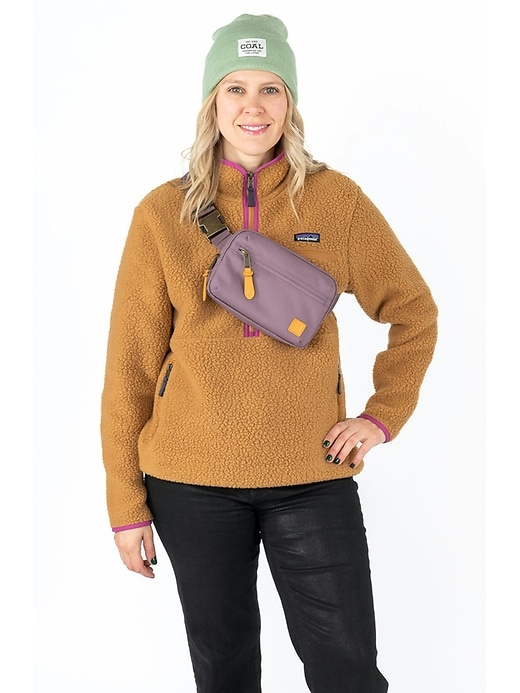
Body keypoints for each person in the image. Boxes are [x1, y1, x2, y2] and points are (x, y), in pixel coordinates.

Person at [100, 13, 438, 693]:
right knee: (224, 672)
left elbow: (414, 312)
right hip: (190, 480)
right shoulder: (162, 214)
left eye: (270, 89)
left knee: (347, 670)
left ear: (290, 102)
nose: (252, 107)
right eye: (235, 88)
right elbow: (129, 368)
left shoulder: (336, 201)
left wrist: (381, 416)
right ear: (211, 103)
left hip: (312, 472)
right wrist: (125, 503)